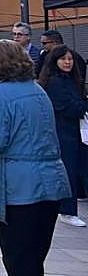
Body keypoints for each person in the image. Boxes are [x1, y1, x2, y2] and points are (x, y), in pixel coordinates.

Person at [0, 39, 72, 276]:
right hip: (51, 182)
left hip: (17, 188)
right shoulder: (37, 89)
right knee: (34, 259)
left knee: (19, 261)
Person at [38, 44, 88, 228]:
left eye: (70, 59)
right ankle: (67, 210)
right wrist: (83, 106)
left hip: (76, 132)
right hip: (63, 132)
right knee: (69, 171)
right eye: (63, 59)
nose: (67, 62)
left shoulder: (71, 80)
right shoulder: (54, 82)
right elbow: (69, 106)